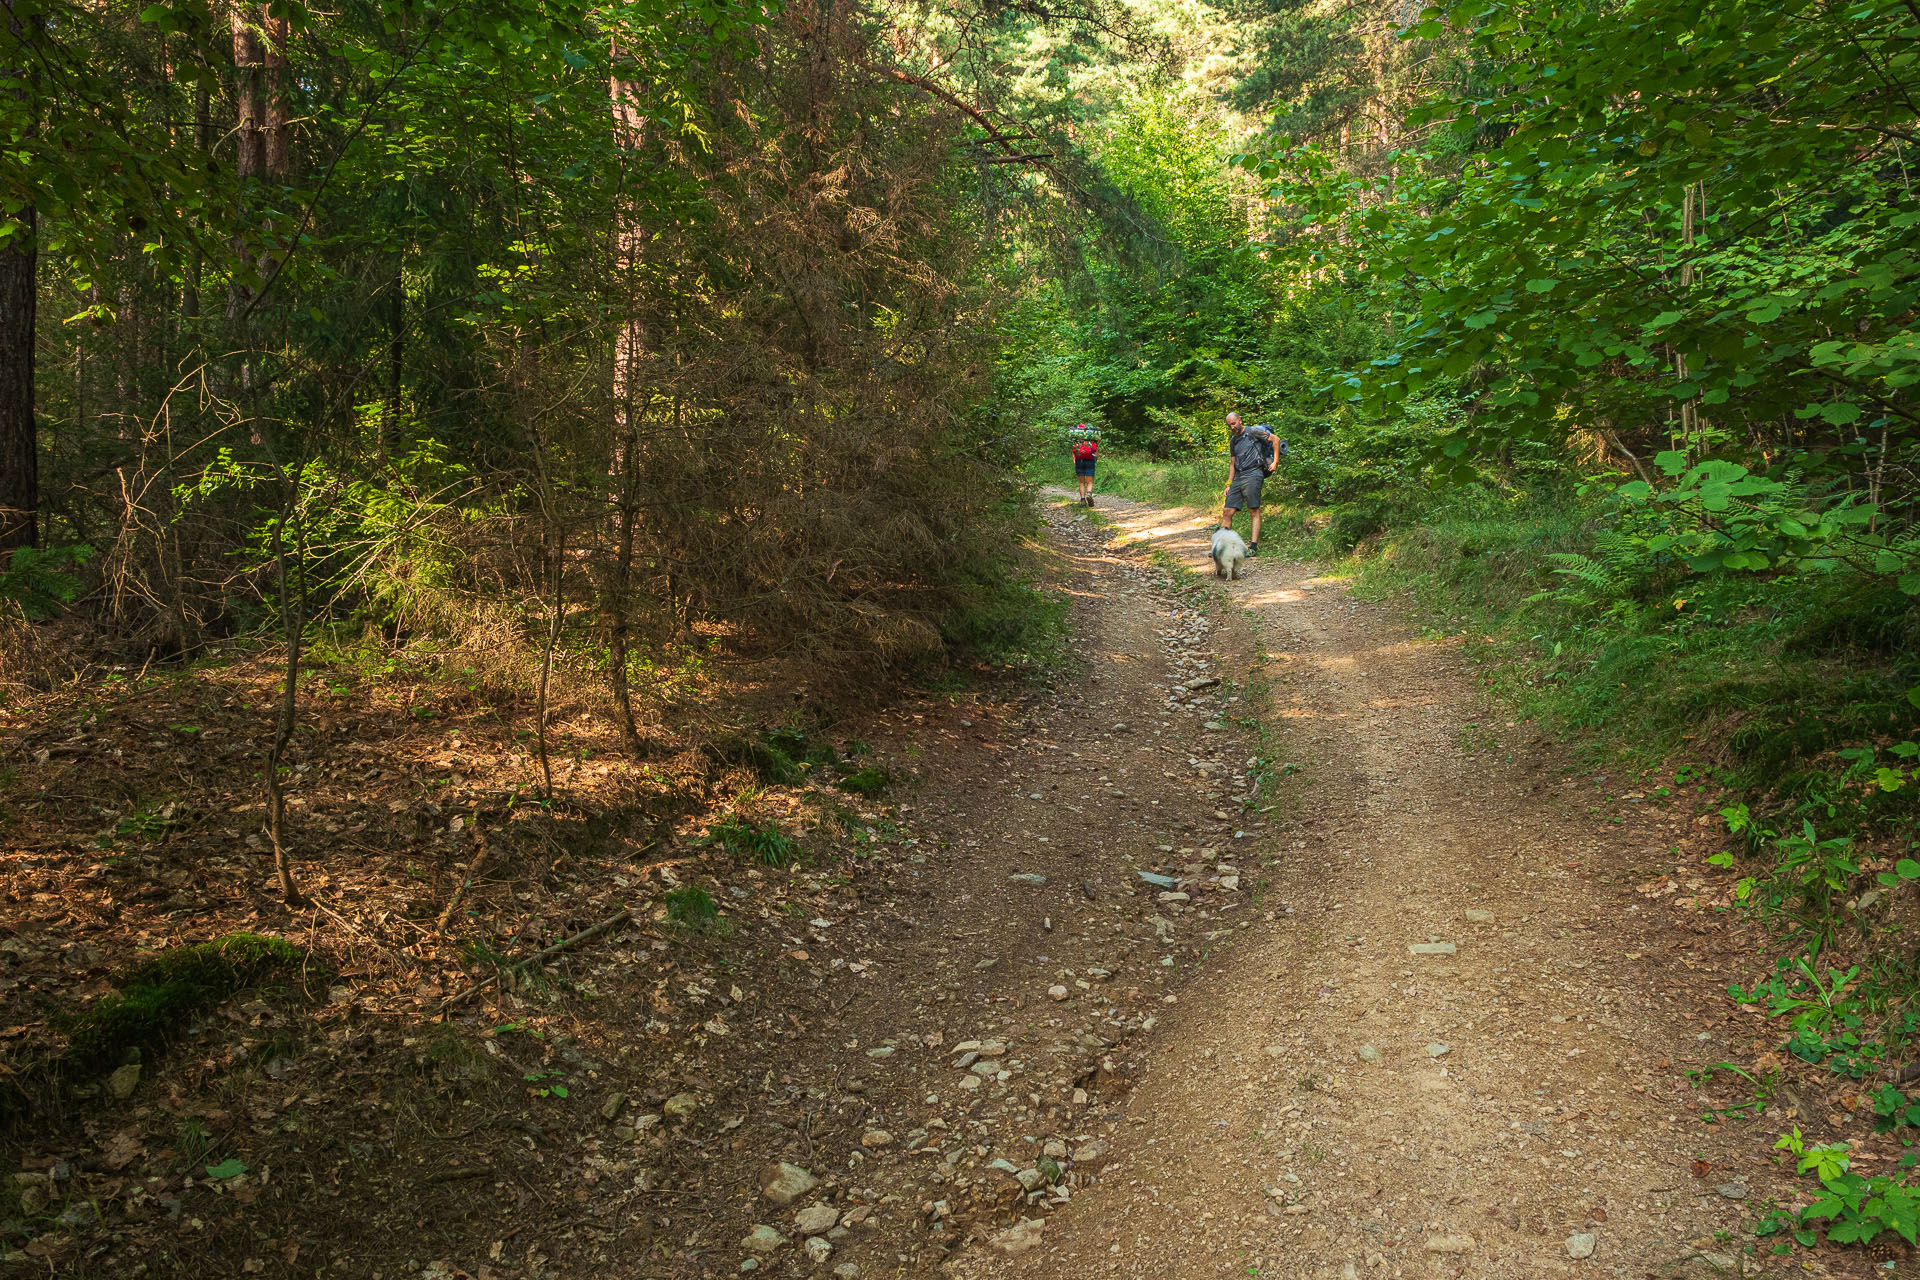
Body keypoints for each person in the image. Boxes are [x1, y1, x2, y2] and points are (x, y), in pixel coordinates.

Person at [1218, 411, 1276, 556]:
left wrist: (1275, 462)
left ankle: (1253, 547)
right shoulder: (1233, 441)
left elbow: (1276, 439)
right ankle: (1222, 548)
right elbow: (1232, 463)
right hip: (1239, 475)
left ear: (1240, 421)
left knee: (1253, 510)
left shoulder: (1253, 432)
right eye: (1229, 425)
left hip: (1254, 473)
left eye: (1233, 423)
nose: (1232, 427)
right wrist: (1229, 483)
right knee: (1227, 511)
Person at [1071, 426, 1098, 506]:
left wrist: (1075, 462)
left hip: (1079, 461)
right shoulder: (1092, 441)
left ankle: (1082, 500)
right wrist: (1095, 460)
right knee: (1090, 481)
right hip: (1090, 461)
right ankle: (1089, 494)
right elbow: (1096, 453)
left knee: (1081, 482)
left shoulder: (1076, 442)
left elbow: (1073, 453)